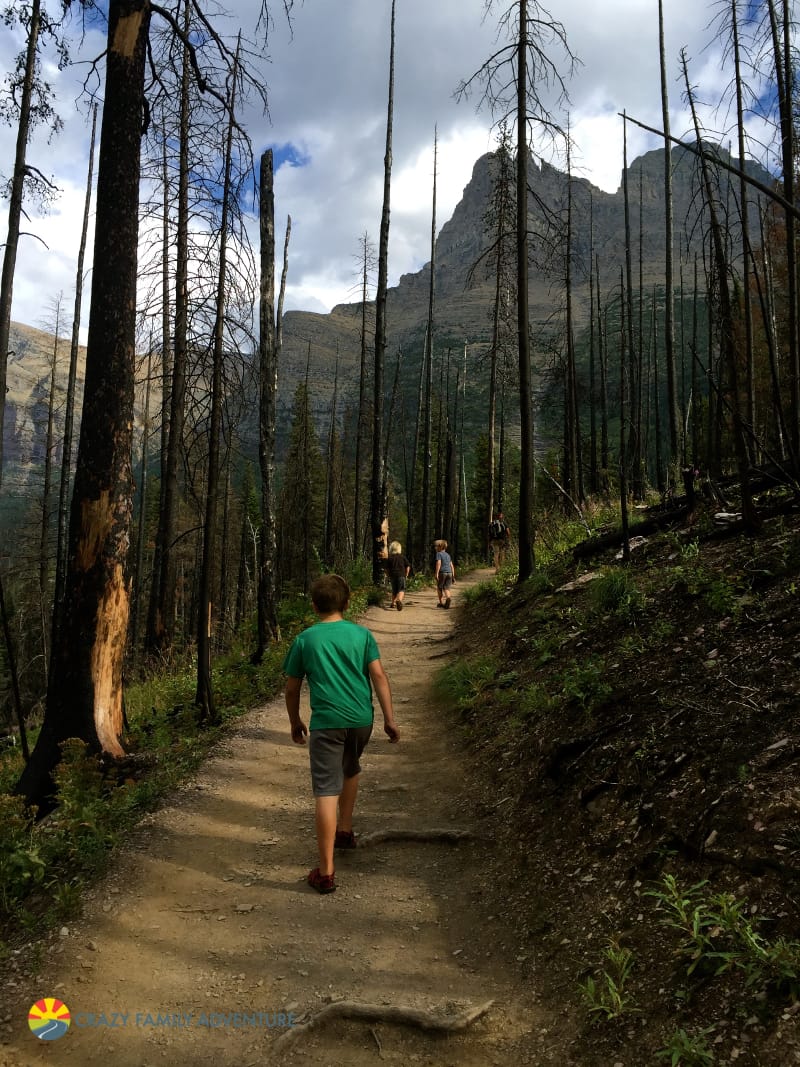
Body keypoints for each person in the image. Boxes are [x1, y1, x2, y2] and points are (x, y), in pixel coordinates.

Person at [283, 574, 400, 894]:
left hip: (327, 723)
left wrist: (295, 721)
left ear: (314, 606)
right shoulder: (361, 635)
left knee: (325, 790)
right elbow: (378, 675)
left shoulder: (305, 640)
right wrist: (389, 719)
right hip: (361, 721)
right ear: (347, 603)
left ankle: (326, 872)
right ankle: (344, 831)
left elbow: (292, 688)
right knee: (351, 768)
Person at [385, 540, 411, 611]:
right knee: (401, 589)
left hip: (393, 576)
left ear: (391, 549)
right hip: (401, 575)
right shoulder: (402, 557)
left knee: (394, 590)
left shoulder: (389, 558)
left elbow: (387, 569)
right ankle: (399, 600)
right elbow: (408, 566)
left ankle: (393, 603)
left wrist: (388, 575)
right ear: (399, 549)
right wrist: (407, 574)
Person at [433, 538, 456, 609]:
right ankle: (448, 598)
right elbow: (451, 565)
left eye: (436, 546)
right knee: (447, 588)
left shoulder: (438, 554)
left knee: (439, 588)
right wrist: (453, 575)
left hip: (442, 573)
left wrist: (436, 573)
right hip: (449, 573)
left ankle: (441, 602)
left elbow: (438, 563)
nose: (435, 547)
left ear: (440, 547)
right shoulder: (448, 555)